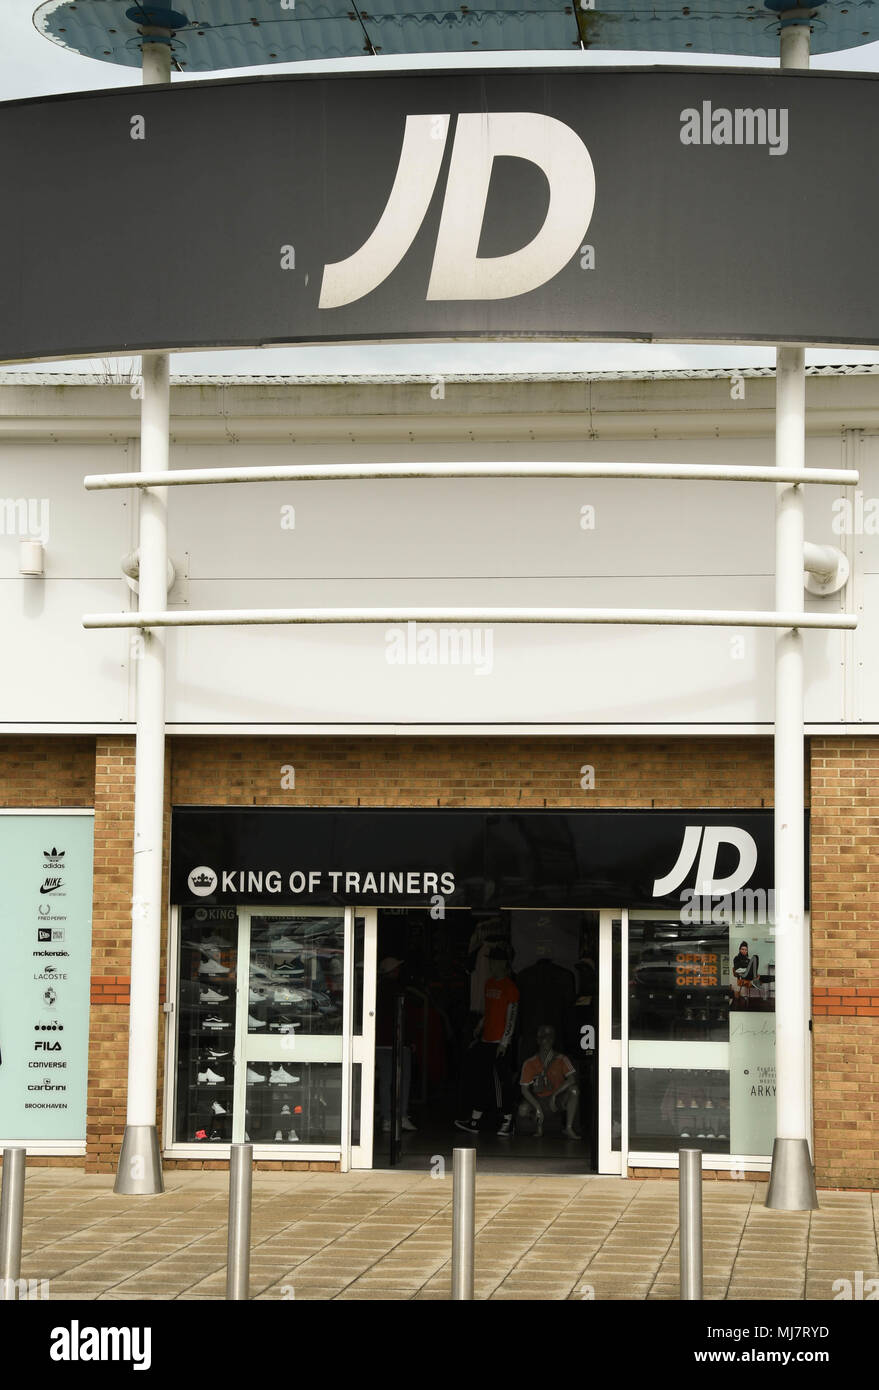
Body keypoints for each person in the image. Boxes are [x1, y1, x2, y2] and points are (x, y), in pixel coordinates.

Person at [455, 949, 519, 1137]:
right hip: (486, 1040)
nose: (490, 965)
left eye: (493, 962)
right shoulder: (489, 983)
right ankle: (475, 1120)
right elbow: (488, 1010)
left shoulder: (511, 987)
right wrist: (480, 1026)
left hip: (499, 1043)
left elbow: (511, 1017)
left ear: (502, 964)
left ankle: (507, 1120)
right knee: (481, 1081)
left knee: (501, 1082)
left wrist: (504, 1042)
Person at [375, 957, 417, 1133]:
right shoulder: (399, 991)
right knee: (403, 1080)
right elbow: (404, 1017)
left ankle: (386, 1119)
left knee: (385, 1081)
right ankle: (401, 1116)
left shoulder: (374, 989)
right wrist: (410, 1040)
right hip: (398, 1042)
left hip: (380, 1042)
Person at [518, 1023, 580, 1139]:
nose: (546, 1041)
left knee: (574, 1090)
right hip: (539, 1100)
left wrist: (555, 1095)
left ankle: (569, 1127)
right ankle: (538, 1126)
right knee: (523, 1109)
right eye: (543, 1038)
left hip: (556, 1100)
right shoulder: (529, 1063)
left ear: (553, 1040)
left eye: (549, 1038)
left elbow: (572, 1078)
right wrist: (537, 1107)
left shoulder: (561, 1058)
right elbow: (524, 1089)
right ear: (538, 1040)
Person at [731, 940, 761, 1009]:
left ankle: (755, 978)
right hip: (742, 975)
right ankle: (755, 979)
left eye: (746, 950)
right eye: (742, 949)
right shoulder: (737, 958)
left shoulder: (748, 959)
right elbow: (736, 969)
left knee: (755, 959)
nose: (744, 951)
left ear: (747, 951)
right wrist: (746, 969)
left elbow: (752, 968)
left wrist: (751, 970)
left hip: (749, 975)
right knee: (755, 957)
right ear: (739, 949)